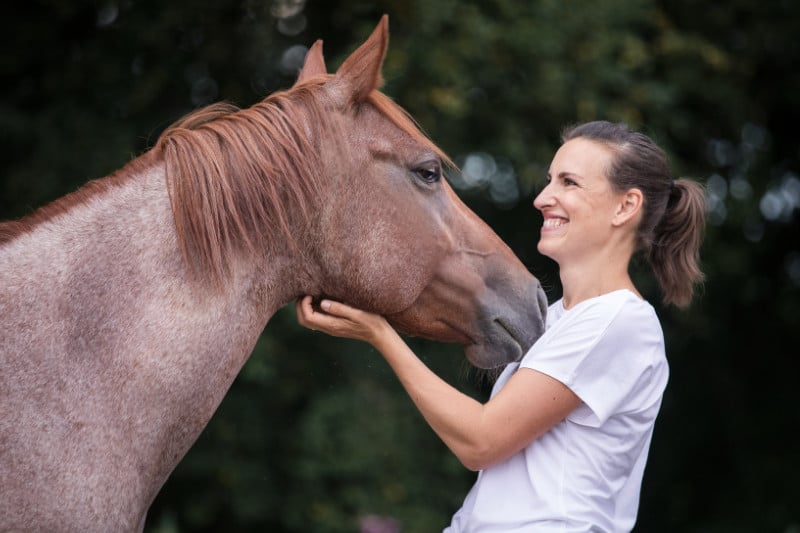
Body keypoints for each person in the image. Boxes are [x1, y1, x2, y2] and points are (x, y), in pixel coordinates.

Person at [295, 120, 706, 532]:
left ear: (625, 206)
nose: (544, 198)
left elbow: (481, 440)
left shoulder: (617, 320)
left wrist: (381, 336)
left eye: (569, 183)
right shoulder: (561, 319)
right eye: (549, 181)